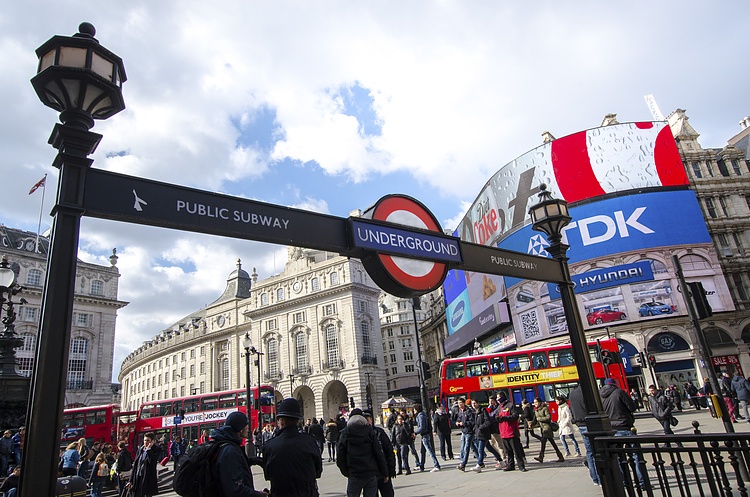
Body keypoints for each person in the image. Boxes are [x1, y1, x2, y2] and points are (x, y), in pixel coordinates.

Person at [263, 398, 323, 497]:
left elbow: (268, 475)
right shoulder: (309, 442)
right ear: (298, 420)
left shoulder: (269, 446)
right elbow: (318, 472)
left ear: (281, 421)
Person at [600, 378, 646, 489]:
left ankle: (624, 481)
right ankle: (641, 482)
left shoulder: (601, 397)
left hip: (612, 429)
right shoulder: (619, 392)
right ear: (614, 384)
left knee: (619, 456)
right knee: (635, 455)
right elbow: (632, 407)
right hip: (625, 426)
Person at [211, 411, 268, 497]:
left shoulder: (228, 445)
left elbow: (235, 465)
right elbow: (235, 490)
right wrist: (257, 494)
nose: (248, 428)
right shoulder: (230, 451)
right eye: (246, 425)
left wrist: (253, 460)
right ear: (240, 429)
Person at [336, 408, 388, 497]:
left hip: (354, 472)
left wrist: (346, 471)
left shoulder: (345, 433)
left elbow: (340, 455)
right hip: (370, 471)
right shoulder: (369, 431)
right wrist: (385, 472)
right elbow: (378, 453)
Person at [569, 385, 599, 485]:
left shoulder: (572, 393)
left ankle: (594, 477)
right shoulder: (588, 392)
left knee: (589, 451)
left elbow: (571, 410)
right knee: (597, 451)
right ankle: (600, 477)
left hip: (581, 425)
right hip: (591, 423)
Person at [362, 410, 396, 497]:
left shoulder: (379, 432)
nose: (366, 421)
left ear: (371, 420)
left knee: (388, 493)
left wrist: (391, 469)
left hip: (382, 471)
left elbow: (389, 451)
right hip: (369, 473)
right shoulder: (360, 435)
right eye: (364, 419)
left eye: (367, 419)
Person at [495, 391, 526, 472]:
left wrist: (505, 418)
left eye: (498, 397)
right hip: (503, 432)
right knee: (508, 451)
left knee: (516, 450)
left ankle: (521, 465)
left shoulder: (510, 405)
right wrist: (497, 418)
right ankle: (511, 465)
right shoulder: (499, 407)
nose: (497, 399)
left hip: (512, 432)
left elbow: (515, 416)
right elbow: (496, 415)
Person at [127, 432, 163, 497]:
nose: (145, 442)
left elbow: (152, 461)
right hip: (138, 477)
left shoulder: (156, 449)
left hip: (147, 478)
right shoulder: (140, 449)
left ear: (152, 441)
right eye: (144, 440)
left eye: (148, 440)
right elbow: (135, 465)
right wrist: (130, 480)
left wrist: (149, 450)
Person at [471, 399, 503, 472]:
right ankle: (501, 461)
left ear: (478, 403)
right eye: (472, 404)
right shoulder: (475, 412)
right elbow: (476, 423)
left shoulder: (483, 411)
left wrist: (481, 428)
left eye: (475, 403)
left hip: (484, 433)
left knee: (480, 449)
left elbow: (488, 421)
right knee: (489, 448)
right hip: (478, 433)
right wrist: (475, 429)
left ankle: (479, 464)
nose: (474, 405)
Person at [531, 398, 564, 463]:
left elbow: (548, 418)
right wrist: (531, 424)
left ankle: (541, 457)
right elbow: (535, 419)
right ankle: (560, 456)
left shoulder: (544, 408)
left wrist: (539, 418)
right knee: (552, 442)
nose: (535, 404)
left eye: (536, 402)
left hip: (547, 428)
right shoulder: (536, 410)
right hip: (542, 429)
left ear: (540, 402)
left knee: (543, 442)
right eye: (534, 403)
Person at [452, 397, 478, 472]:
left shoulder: (469, 411)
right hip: (464, 431)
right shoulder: (460, 411)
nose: (459, 405)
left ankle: (463, 464)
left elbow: (472, 422)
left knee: (466, 447)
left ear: (464, 403)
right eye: (458, 403)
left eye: (460, 403)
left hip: (469, 431)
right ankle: (480, 460)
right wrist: (458, 422)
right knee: (472, 446)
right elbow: (459, 418)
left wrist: (464, 423)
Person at [413, 404, 441, 472]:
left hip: (425, 435)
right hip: (425, 435)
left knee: (430, 451)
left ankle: (436, 465)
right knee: (423, 451)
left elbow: (422, 427)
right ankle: (421, 466)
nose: (413, 411)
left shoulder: (421, 416)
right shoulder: (423, 415)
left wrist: (415, 432)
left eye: (414, 409)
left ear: (416, 409)